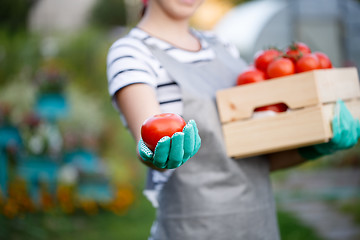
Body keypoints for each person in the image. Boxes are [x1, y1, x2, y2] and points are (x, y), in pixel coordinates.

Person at [106, 0, 360, 239]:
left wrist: (317, 146)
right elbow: (150, 136)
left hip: (261, 228)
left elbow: (255, 161)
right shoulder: (131, 52)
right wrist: (152, 152)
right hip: (193, 231)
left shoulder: (221, 46)